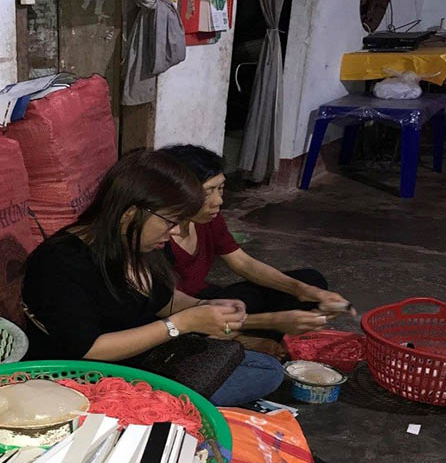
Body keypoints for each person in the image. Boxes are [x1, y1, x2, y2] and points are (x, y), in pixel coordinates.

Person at [20, 149, 285, 408]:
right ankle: (146, 409)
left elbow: (162, 299)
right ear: (130, 214)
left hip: (144, 359)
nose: (174, 232)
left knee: (266, 367)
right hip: (85, 378)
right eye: (170, 222)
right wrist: (180, 324)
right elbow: (91, 350)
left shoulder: (139, 245)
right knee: (262, 373)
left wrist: (203, 306)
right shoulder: (60, 262)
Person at [160, 144, 356, 356]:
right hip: (177, 314)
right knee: (183, 336)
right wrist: (272, 321)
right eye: (208, 192)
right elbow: (166, 305)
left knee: (310, 280)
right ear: (181, 192)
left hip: (208, 300)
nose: (219, 201)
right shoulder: (156, 236)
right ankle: (238, 339)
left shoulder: (206, 219)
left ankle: (234, 336)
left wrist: (303, 290)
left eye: (221, 188)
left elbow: (243, 263)